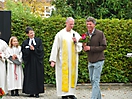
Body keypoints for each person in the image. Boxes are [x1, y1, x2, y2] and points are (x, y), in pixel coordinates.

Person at [49, 17, 82, 99]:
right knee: (62, 76)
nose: (72, 26)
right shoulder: (60, 34)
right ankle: (63, 94)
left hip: (72, 61)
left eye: (73, 24)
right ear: (66, 23)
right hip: (62, 60)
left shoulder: (75, 34)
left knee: (72, 76)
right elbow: (55, 47)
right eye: (70, 24)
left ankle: (71, 93)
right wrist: (53, 60)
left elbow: (80, 46)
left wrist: (76, 42)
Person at [83, 16, 107, 99]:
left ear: (94, 24)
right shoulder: (85, 35)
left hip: (99, 60)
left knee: (96, 80)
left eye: (90, 24)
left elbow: (104, 46)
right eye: (87, 24)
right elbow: (85, 48)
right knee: (92, 81)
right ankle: (99, 97)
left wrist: (91, 48)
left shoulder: (100, 34)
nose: (88, 26)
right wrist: (84, 48)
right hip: (90, 60)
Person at [21, 27, 44, 98]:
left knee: (37, 76)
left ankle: (37, 92)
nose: (32, 34)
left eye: (33, 32)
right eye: (30, 33)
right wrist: (29, 50)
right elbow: (24, 52)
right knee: (29, 76)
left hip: (37, 62)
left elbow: (41, 51)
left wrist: (34, 49)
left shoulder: (38, 41)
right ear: (27, 34)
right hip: (29, 62)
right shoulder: (25, 42)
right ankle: (30, 92)